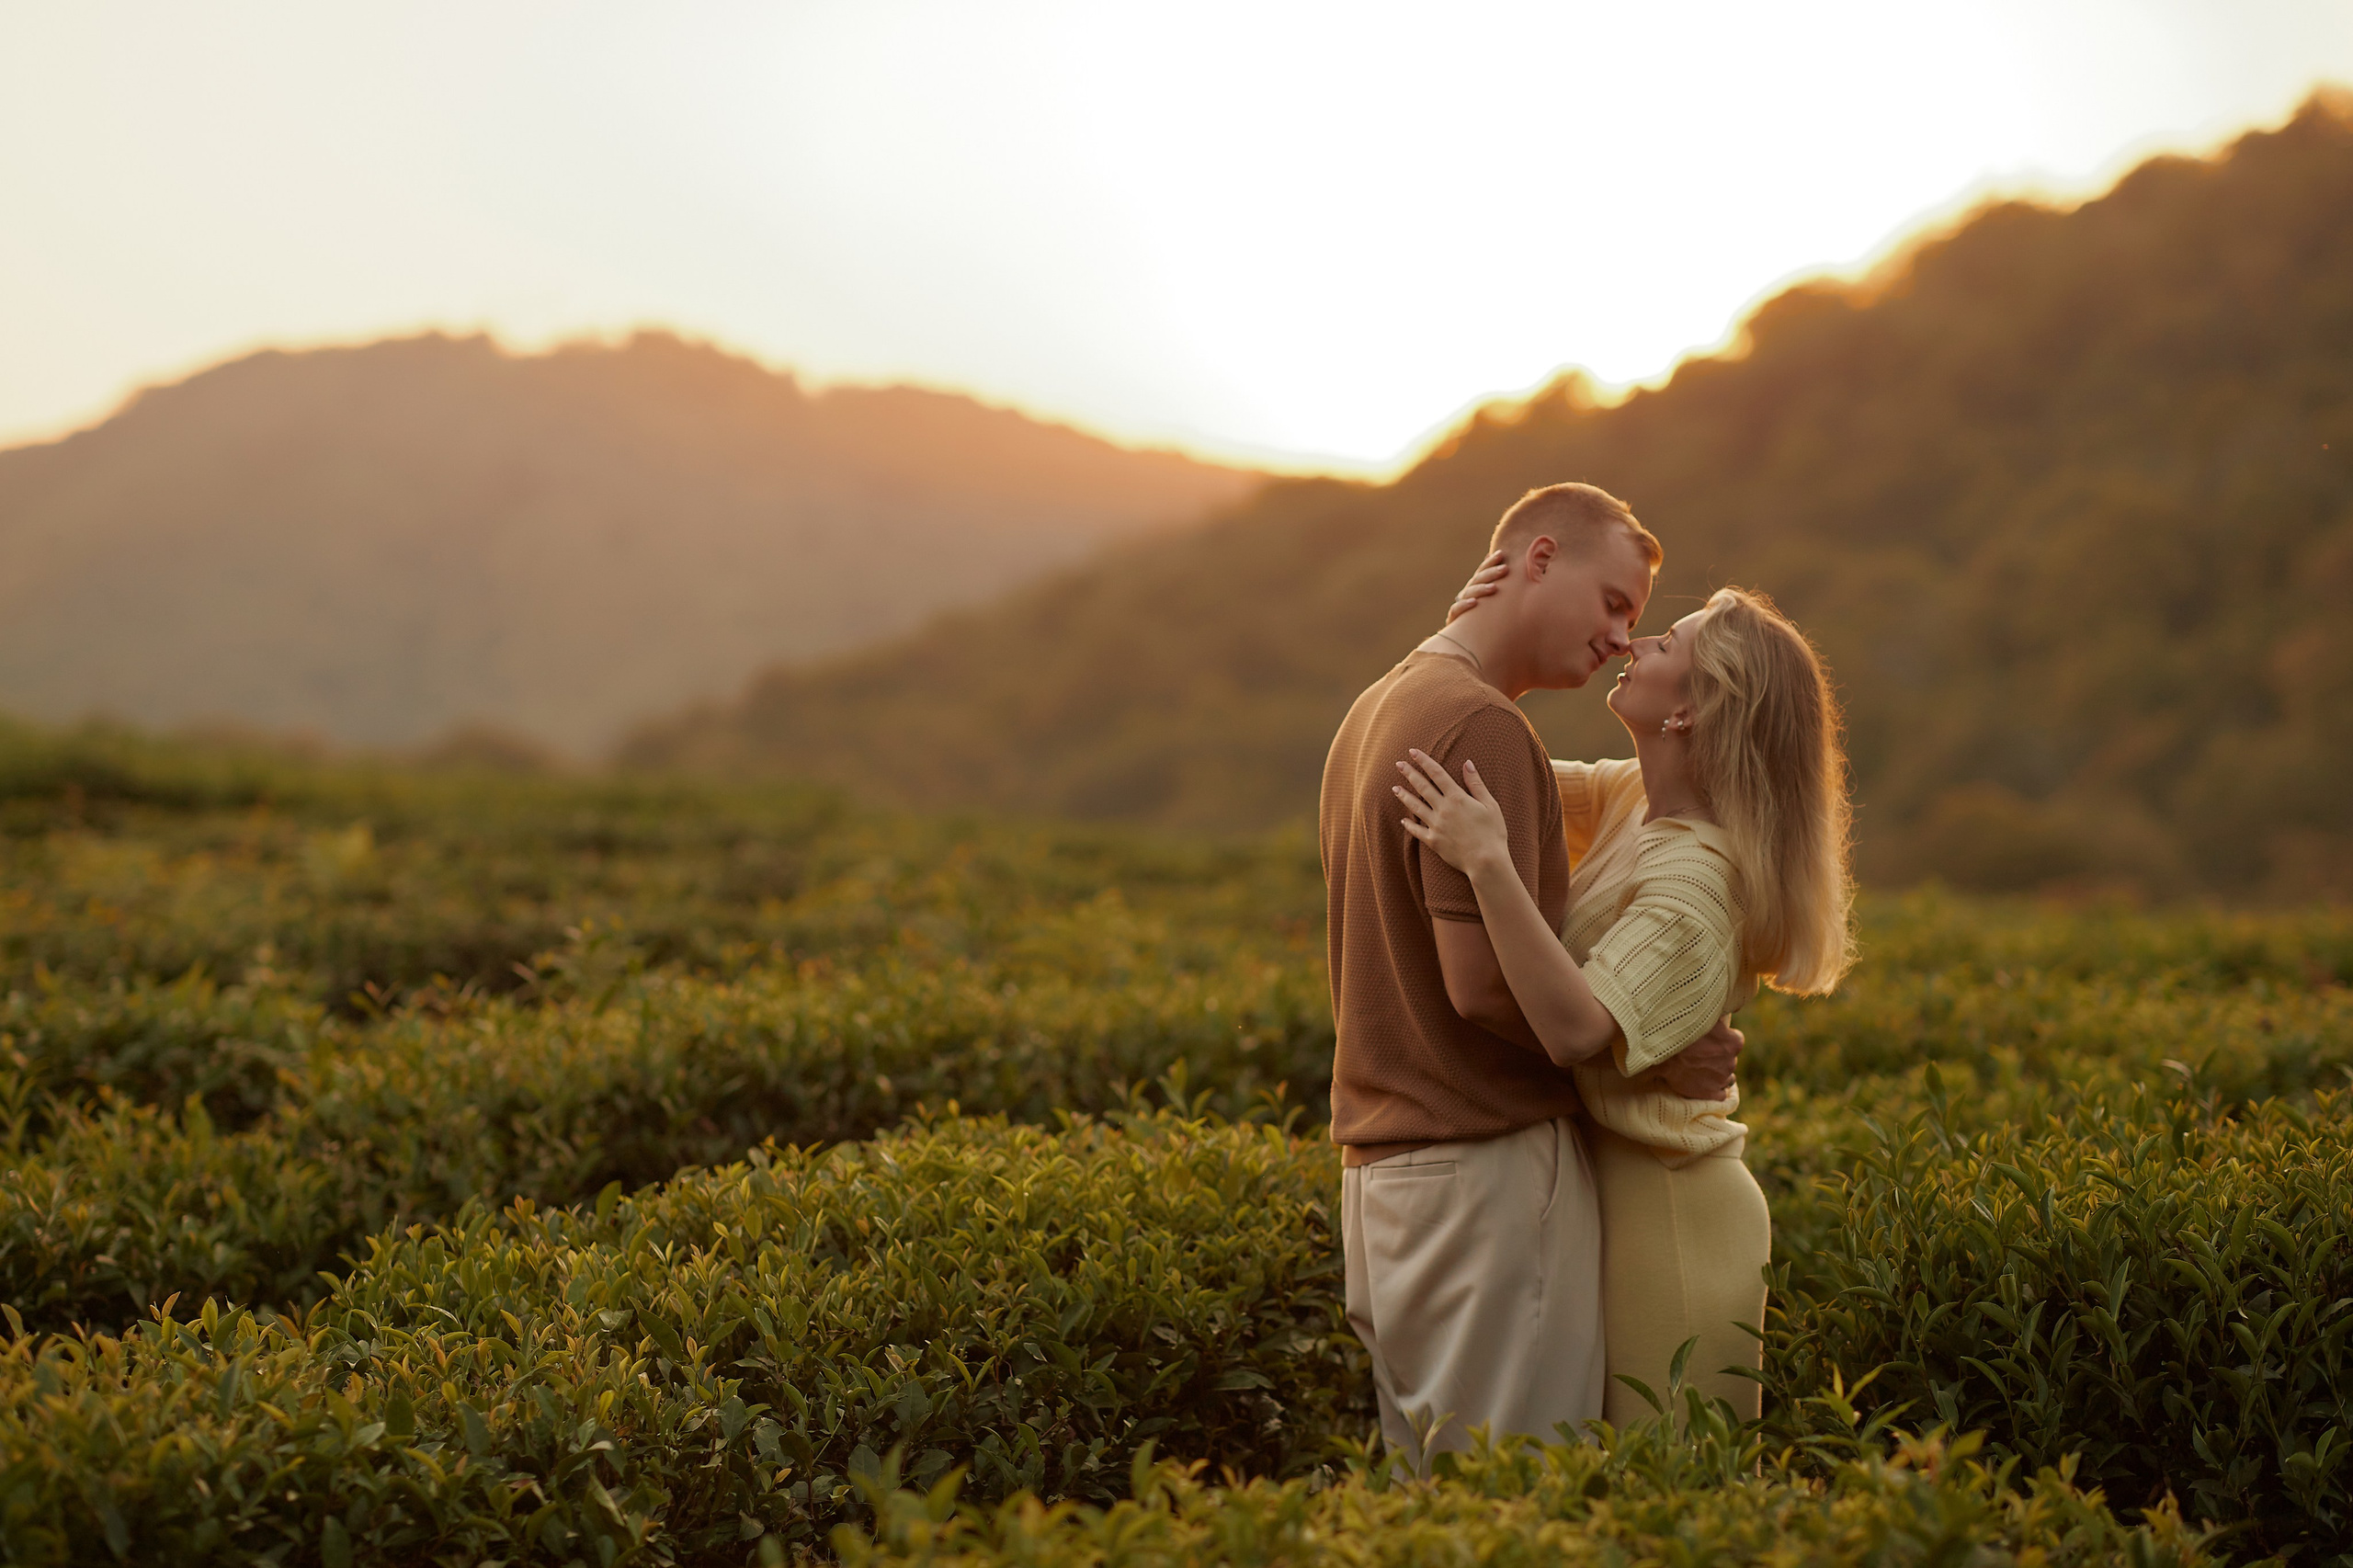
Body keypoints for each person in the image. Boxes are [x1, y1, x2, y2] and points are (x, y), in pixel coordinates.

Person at [1318, 483, 1744, 1464]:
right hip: (1483, 1171)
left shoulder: (1377, 704)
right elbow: (1480, 990)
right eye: (1612, 603)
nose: (1620, 639)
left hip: (1382, 1171)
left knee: (1432, 1506)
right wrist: (1640, 1052)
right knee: (1517, 1505)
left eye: (1637, 624)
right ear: (1539, 559)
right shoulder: (1486, 731)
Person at [1392, 577, 1856, 1426]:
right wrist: (1468, 636)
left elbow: (1573, 1029)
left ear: (1691, 710)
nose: (1635, 643)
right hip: (1604, 1187)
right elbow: (1479, 756)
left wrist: (1491, 865)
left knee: (1669, 1485)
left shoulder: (1696, 879)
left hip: (1669, 1212)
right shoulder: (1634, 797)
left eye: (1664, 643)